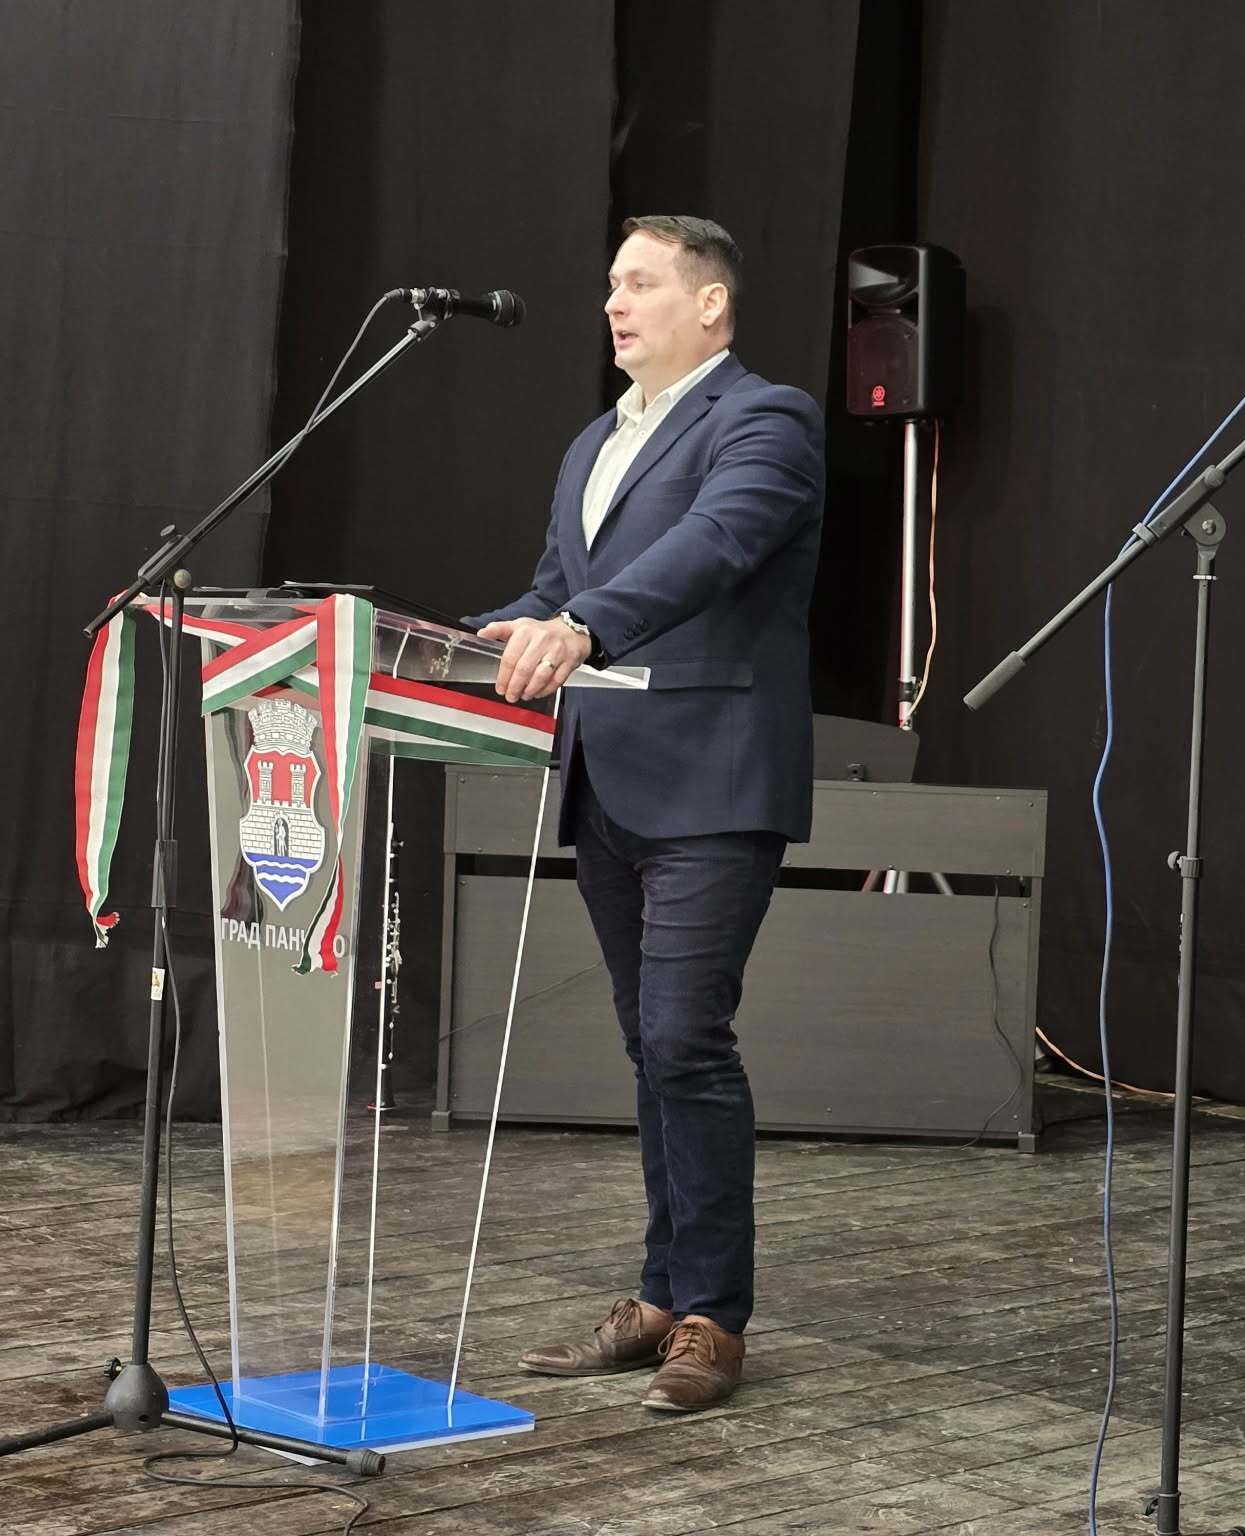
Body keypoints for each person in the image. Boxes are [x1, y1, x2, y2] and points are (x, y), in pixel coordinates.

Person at [465, 215, 825, 1411]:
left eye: (640, 282)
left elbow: (714, 547)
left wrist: (582, 626)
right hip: (606, 780)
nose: (614, 304)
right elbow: (554, 591)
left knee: (684, 1039)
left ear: (709, 302)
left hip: (713, 776)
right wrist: (430, 644)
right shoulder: (593, 443)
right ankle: (664, 1294)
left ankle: (714, 1315)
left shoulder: (765, 420)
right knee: (650, 1049)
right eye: (610, 285)